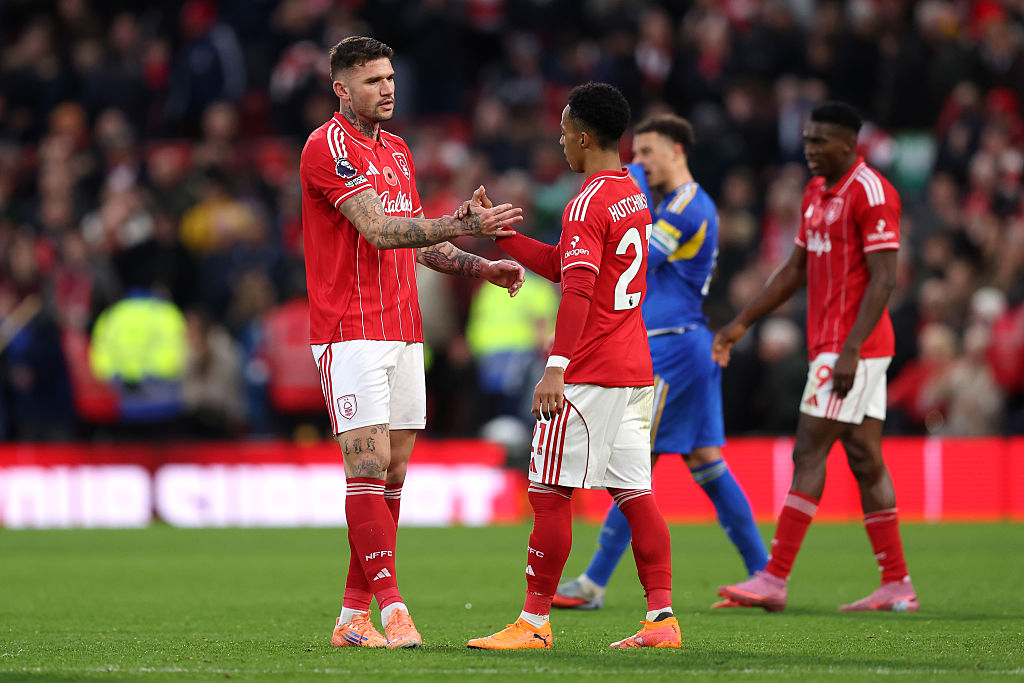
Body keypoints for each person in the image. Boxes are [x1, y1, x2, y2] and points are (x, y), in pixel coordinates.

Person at [299, 36, 525, 649]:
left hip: (403, 332)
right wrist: (463, 221)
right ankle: (394, 609)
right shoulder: (328, 147)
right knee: (366, 468)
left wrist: (483, 265)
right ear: (342, 88)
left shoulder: (397, 151)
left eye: (391, 77)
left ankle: (352, 617)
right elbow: (377, 229)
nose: (388, 88)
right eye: (373, 80)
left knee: (392, 472)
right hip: (351, 332)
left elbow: (418, 242)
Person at [464, 82, 679, 650]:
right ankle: (662, 620)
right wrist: (504, 237)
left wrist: (556, 366)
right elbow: (568, 265)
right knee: (635, 493)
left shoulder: (586, 202)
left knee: (549, 494)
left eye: (563, 132)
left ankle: (533, 624)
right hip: (634, 369)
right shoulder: (632, 194)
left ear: (583, 137)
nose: (559, 142)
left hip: (588, 372)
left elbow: (579, 289)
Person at [552, 114, 768, 612]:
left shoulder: (689, 205)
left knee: (633, 465)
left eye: (648, 153)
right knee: (704, 461)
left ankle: (592, 583)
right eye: (637, 153)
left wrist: (633, 193)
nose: (639, 163)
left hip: (671, 347)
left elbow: (640, 259)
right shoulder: (674, 203)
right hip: (681, 344)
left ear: (677, 151)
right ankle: (764, 574)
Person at [713, 101, 918, 613]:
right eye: (806, 140)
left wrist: (850, 350)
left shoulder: (872, 192)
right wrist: (742, 322)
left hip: (853, 346)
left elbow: (886, 277)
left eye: (820, 141)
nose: (809, 149)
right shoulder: (814, 192)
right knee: (865, 459)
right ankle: (897, 584)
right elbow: (793, 271)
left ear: (849, 145)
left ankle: (775, 577)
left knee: (808, 450)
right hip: (834, 344)